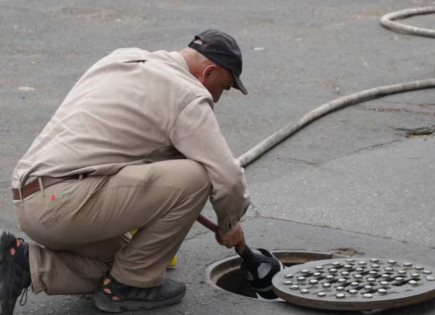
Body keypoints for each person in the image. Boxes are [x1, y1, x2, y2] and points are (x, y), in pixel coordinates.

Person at [0, 29, 250, 314]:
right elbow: (227, 179)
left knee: (124, 261)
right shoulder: (187, 95)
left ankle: (23, 263)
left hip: (32, 200)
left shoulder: (123, 59)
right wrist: (229, 227)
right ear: (209, 72)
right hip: (67, 204)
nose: (217, 98)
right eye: (224, 87)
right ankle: (132, 286)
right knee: (198, 178)